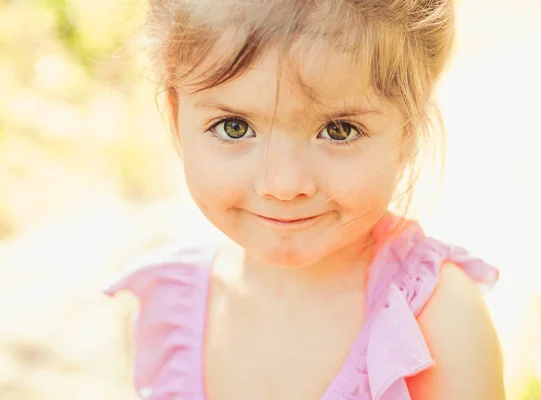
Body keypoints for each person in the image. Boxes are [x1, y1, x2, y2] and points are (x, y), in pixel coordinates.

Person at [105, 0, 505, 399]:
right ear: (177, 119)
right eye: (234, 127)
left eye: (339, 130)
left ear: (408, 132)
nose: (282, 184)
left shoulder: (439, 323)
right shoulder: (173, 311)